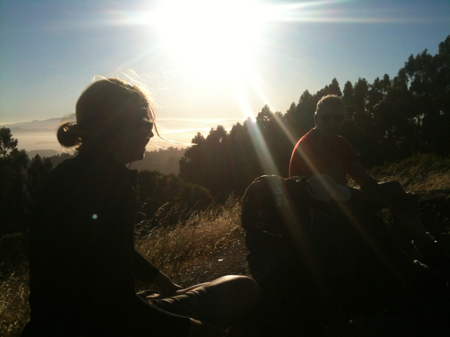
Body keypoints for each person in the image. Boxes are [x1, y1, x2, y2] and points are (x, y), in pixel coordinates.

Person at [21, 78, 259, 337]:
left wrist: (162, 281)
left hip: (48, 327)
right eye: (145, 124)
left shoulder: (63, 177)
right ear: (120, 128)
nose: (150, 133)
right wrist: (202, 331)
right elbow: (121, 313)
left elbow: (103, 248)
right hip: (109, 327)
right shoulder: (111, 188)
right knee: (243, 288)